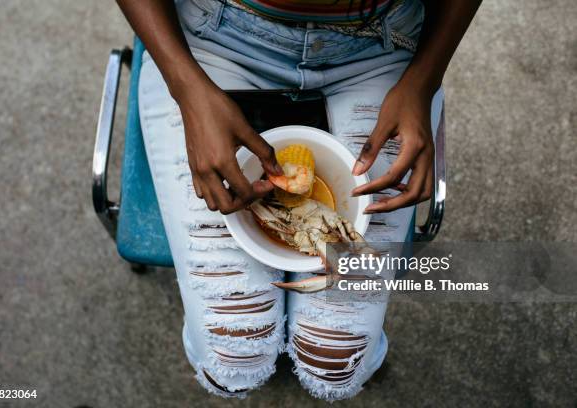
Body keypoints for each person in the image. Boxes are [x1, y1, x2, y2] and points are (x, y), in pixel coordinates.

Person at [116, 0, 480, 400]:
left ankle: (314, 331)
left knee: (336, 362)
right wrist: (186, 88)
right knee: (233, 356)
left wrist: (423, 81)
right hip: (212, 42)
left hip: (380, 50)